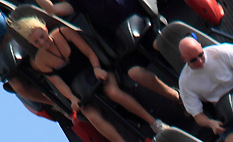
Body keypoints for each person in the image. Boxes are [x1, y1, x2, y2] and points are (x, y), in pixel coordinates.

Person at [10, 14, 159, 142]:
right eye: (36, 42)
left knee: (113, 92)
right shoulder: (41, 61)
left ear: (45, 29)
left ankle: (154, 122)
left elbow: (89, 51)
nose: (42, 42)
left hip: (96, 71)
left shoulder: (64, 33)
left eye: (42, 36)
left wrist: (97, 68)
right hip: (82, 89)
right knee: (91, 115)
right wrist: (72, 98)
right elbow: (60, 84)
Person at [35, 0, 183, 108]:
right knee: (135, 73)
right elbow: (53, 9)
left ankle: (193, 71)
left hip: (145, 22)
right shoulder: (78, 2)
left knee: (161, 45)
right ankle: (176, 96)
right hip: (123, 42)